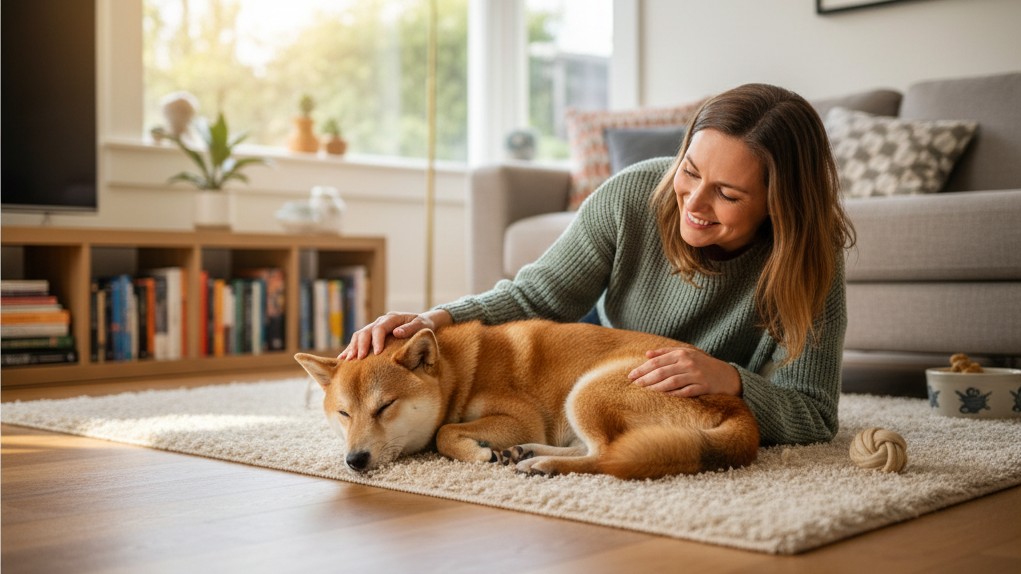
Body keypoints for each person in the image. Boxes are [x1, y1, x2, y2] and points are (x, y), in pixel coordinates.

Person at [340, 83, 855, 446]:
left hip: (695, 394)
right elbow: (536, 297)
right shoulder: (632, 194)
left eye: (726, 193)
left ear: (779, 204)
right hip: (598, 348)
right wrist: (430, 320)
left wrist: (731, 380)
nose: (694, 203)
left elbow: (812, 412)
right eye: (689, 172)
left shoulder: (811, 259)